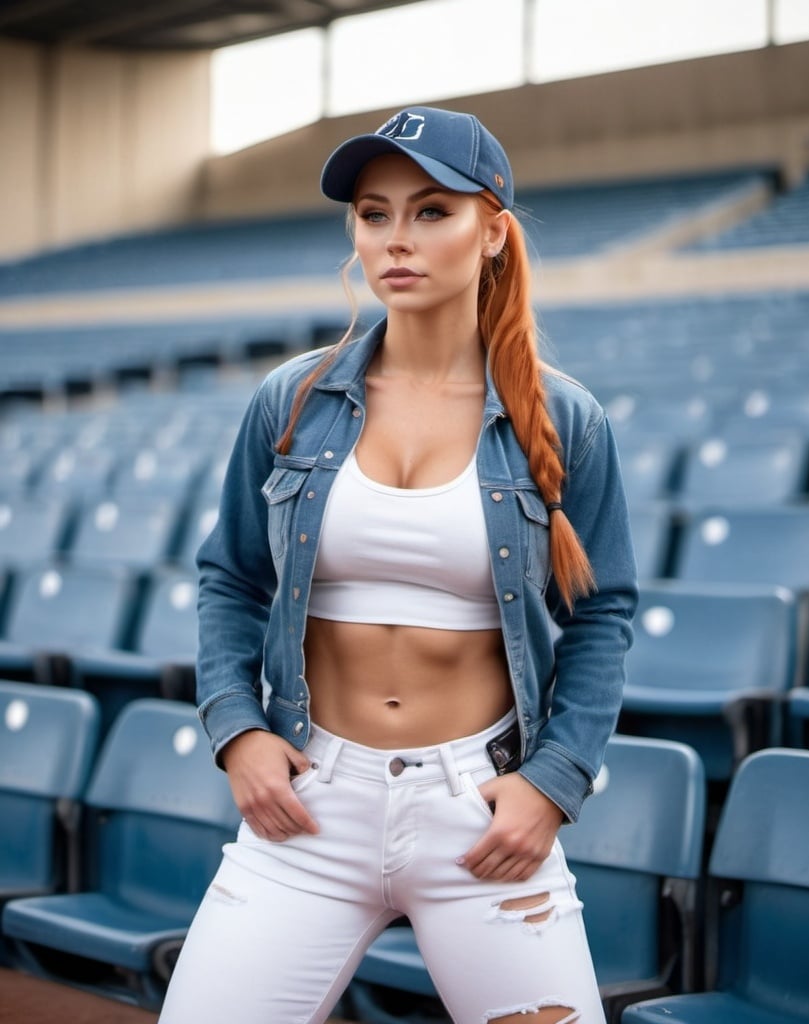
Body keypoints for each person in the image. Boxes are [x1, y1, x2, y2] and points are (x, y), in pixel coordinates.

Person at [159, 105, 637, 1024]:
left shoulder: (568, 419)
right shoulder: (289, 401)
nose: (396, 239)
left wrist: (554, 784)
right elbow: (229, 578)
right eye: (374, 215)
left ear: (493, 231)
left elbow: (604, 613)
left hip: (480, 816)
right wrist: (236, 728)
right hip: (308, 810)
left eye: (430, 211)